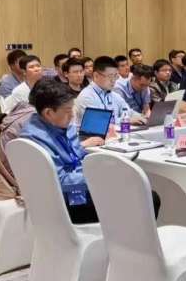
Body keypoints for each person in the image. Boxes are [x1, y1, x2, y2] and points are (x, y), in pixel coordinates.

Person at [20, 80, 159, 224]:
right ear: (48, 113)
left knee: (142, 193)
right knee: (145, 200)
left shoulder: (63, 126)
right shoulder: (34, 138)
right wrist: (99, 177)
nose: (72, 116)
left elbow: (78, 155)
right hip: (66, 202)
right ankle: (125, 237)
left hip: (82, 188)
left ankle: (127, 236)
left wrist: (104, 165)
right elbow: (58, 182)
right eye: (68, 111)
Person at [74, 56, 147, 128]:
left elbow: (129, 112)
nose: (113, 80)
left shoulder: (114, 95)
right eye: (110, 77)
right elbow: (99, 121)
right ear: (96, 76)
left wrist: (143, 118)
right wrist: (125, 120)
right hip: (92, 134)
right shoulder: (87, 96)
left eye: (115, 76)